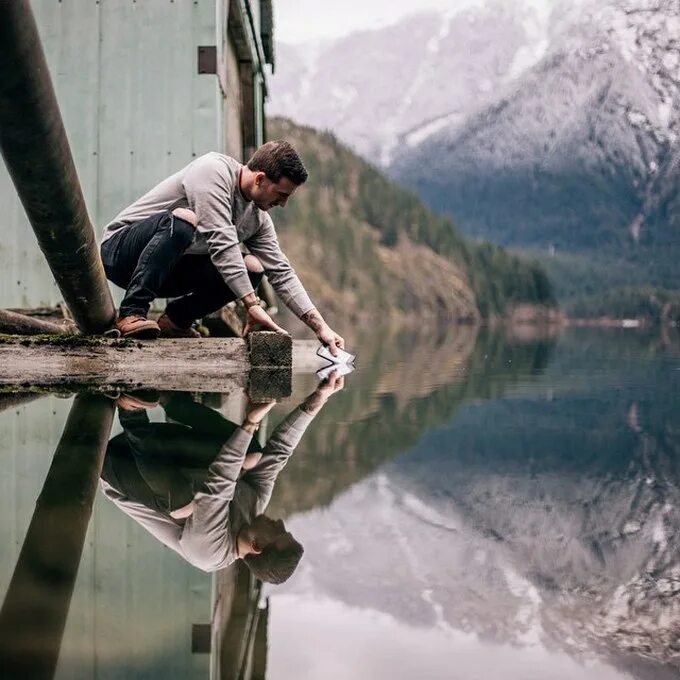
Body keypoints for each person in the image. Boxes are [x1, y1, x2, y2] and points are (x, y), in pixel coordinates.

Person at [100, 141, 344, 353]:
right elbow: (222, 243)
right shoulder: (212, 171)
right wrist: (252, 304)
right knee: (184, 221)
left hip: (166, 271)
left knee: (253, 267)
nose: (283, 204)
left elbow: (281, 272)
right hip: (121, 254)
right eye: (281, 194)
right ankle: (131, 312)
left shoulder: (257, 219)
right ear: (260, 179)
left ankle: (175, 321)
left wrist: (321, 327)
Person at [100, 372, 344, 583]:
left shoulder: (210, 553)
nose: (279, 522)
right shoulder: (254, 503)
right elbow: (279, 451)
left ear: (257, 546)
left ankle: (131, 411)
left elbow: (216, 488)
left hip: (119, 467)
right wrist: (318, 399)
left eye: (279, 531)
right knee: (253, 455)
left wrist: (250, 423)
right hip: (160, 449)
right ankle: (170, 398)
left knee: (186, 504)